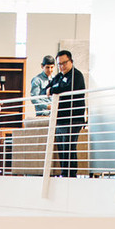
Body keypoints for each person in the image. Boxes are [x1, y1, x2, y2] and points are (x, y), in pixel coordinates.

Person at [48, 49, 86, 178]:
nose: (62, 66)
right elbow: (46, 89)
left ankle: (70, 174)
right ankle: (64, 173)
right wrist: (53, 89)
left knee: (69, 145)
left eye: (64, 63)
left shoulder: (77, 75)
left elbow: (68, 88)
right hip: (60, 118)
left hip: (73, 118)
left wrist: (53, 89)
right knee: (61, 146)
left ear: (71, 61)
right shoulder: (59, 76)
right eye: (59, 64)